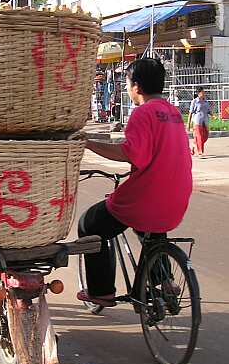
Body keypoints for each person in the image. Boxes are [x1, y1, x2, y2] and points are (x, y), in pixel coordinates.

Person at [77, 58, 192, 306]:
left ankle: (101, 291)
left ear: (136, 87)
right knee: (149, 226)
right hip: (177, 197)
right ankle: (164, 281)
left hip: (147, 197)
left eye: (127, 83)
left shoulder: (143, 112)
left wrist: (88, 142)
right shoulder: (173, 113)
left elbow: (132, 153)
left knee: (89, 224)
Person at [187, 87, 211, 156]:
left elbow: (208, 111)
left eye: (204, 92)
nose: (204, 93)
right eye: (203, 92)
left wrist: (212, 115)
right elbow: (190, 113)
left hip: (205, 122)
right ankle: (200, 152)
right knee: (199, 136)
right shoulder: (194, 101)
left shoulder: (206, 101)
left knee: (205, 136)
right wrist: (188, 124)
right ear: (198, 93)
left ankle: (193, 145)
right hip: (197, 121)